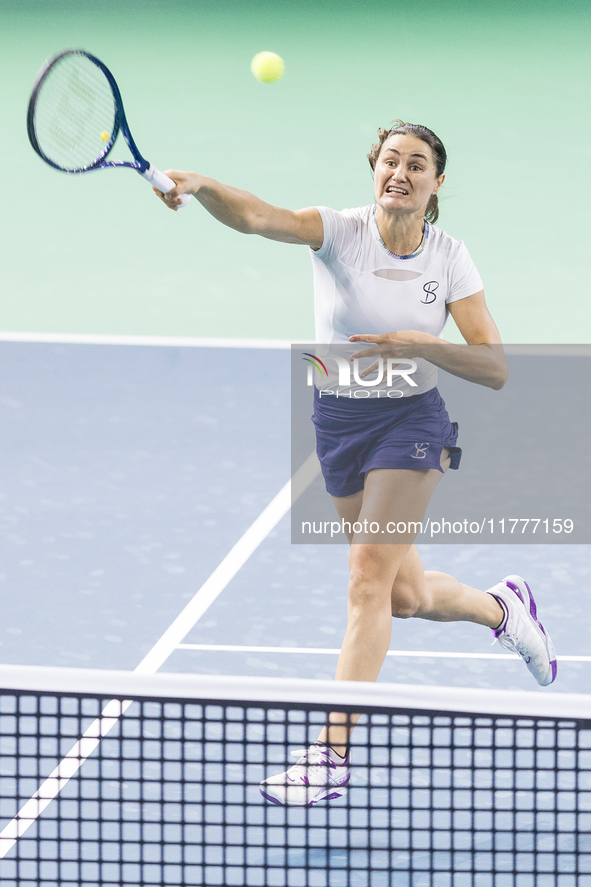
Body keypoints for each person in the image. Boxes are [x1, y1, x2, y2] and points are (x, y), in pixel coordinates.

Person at [154, 121, 557, 807]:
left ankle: (331, 754)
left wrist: (420, 346)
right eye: (389, 161)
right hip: (338, 423)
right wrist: (203, 185)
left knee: (366, 580)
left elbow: (493, 367)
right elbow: (256, 217)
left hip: (411, 423)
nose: (400, 172)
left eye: (416, 164)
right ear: (374, 170)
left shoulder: (450, 260)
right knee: (405, 595)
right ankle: (502, 606)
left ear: (435, 182)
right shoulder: (338, 231)